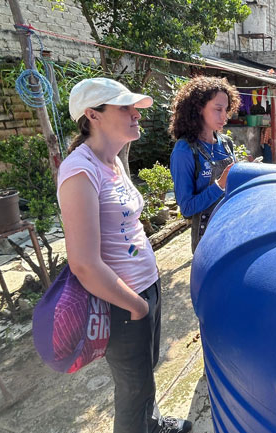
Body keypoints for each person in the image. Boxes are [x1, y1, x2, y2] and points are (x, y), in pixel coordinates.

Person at [58, 78, 192, 433]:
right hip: (122, 302)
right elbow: (84, 264)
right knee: (133, 389)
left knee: (146, 373)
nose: (136, 114)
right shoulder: (79, 171)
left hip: (146, 287)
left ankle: (153, 423)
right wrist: (135, 305)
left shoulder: (112, 162)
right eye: (124, 107)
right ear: (93, 115)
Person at [169, 76, 240, 253]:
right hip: (207, 240)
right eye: (218, 109)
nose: (224, 116)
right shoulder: (184, 150)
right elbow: (186, 208)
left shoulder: (226, 143)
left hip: (233, 230)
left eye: (226, 109)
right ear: (199, 108)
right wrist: (219, 185)